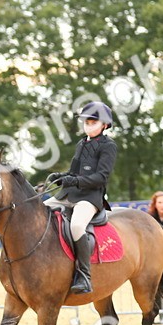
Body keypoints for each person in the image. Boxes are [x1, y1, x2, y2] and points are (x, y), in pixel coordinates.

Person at [45, 101, 117, 295]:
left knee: (77, 225)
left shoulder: (108, 145)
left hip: (91, 197)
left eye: (93, 122)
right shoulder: (81, 144)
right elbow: (73, 172)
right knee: (41, 209)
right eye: (86, 121)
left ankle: (84, 275)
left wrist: (74, 181)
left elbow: (101, 177)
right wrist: (60, 177)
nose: (88, 125)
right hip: (70, 195)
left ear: (104, 125)